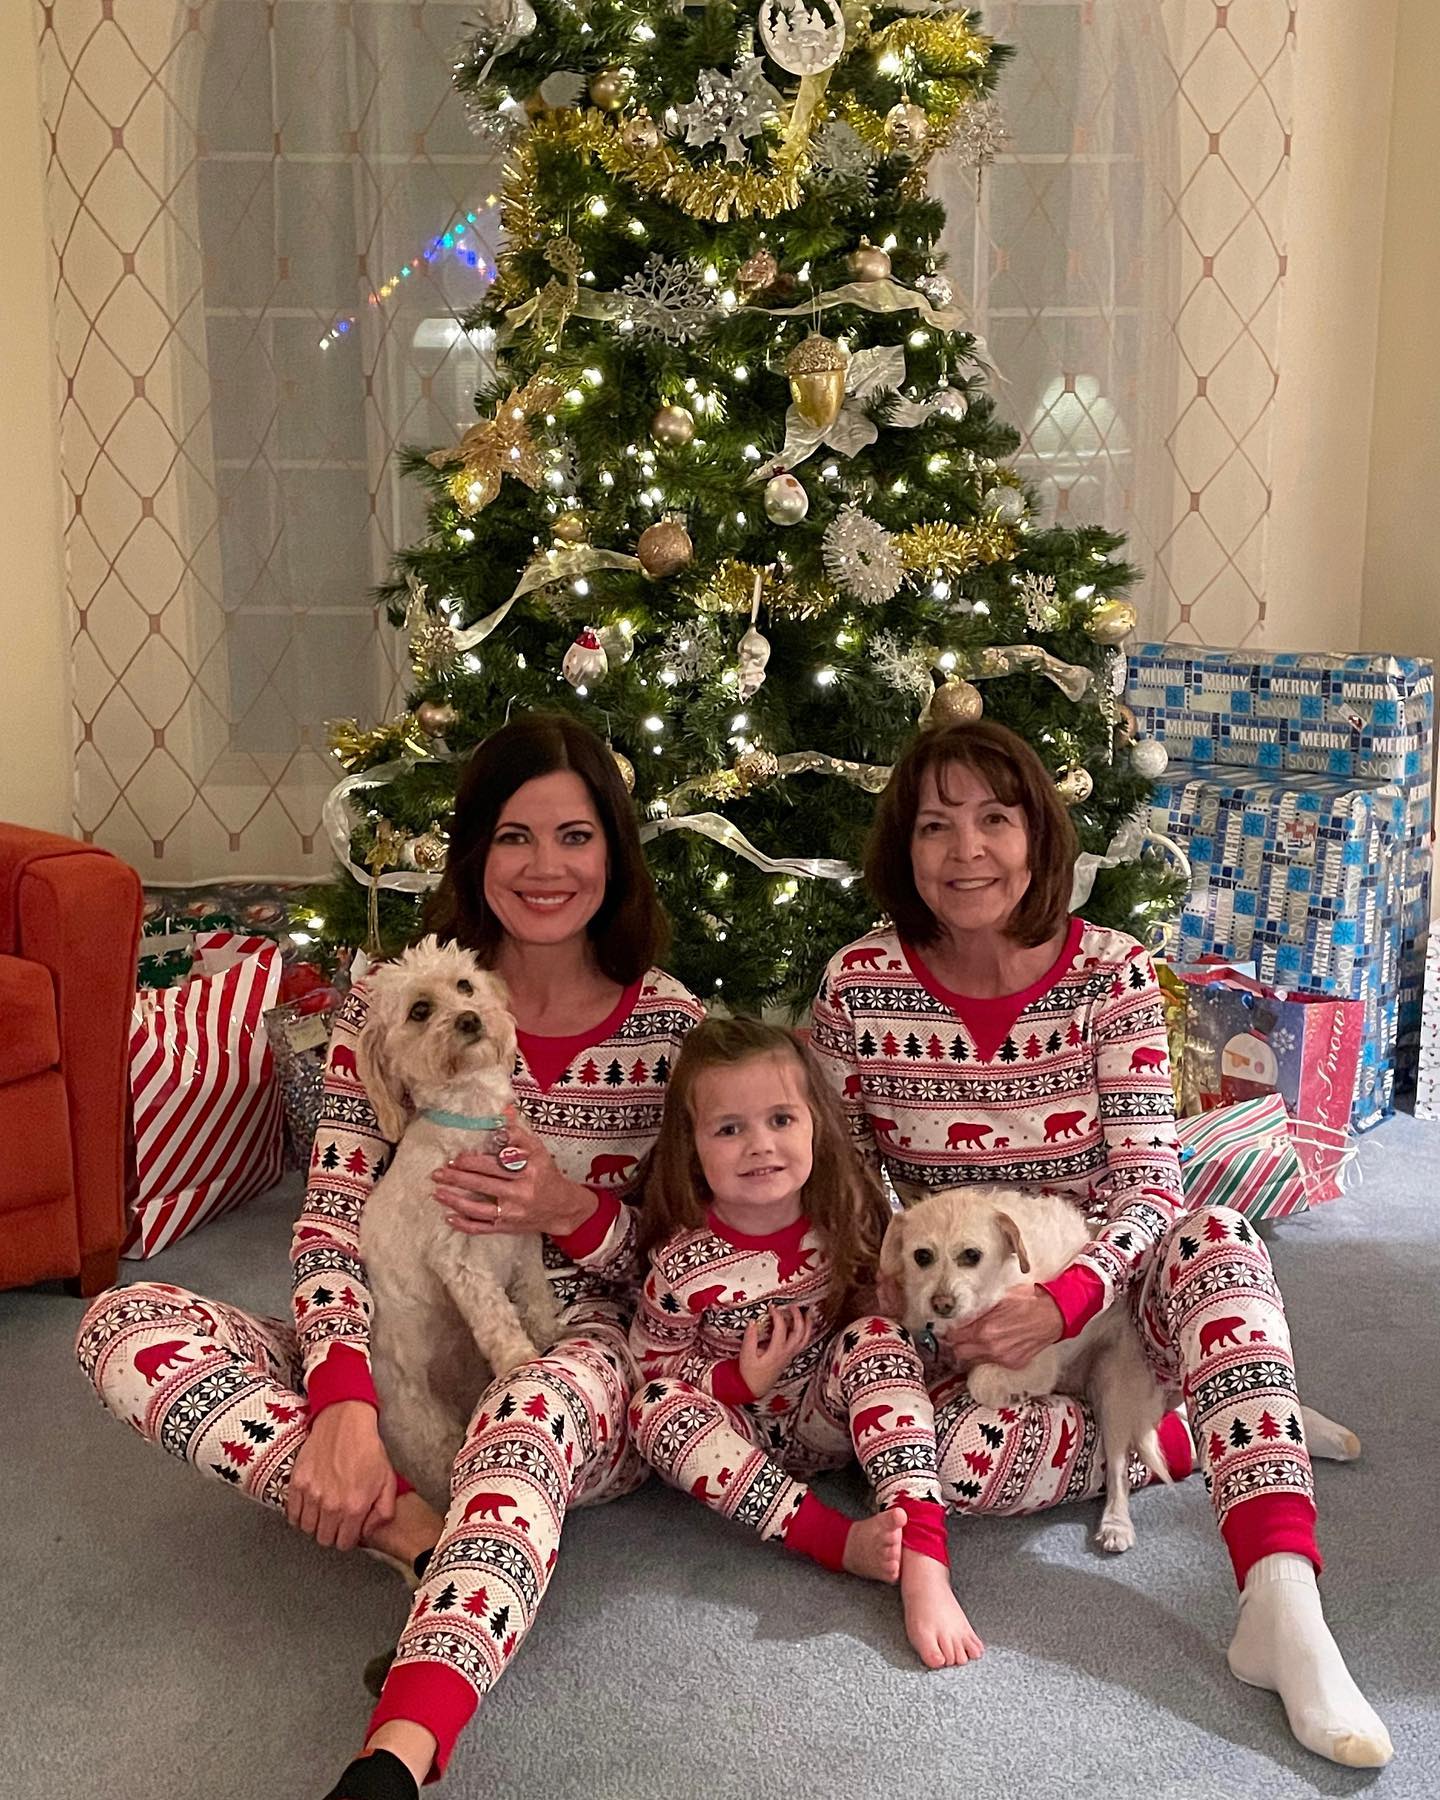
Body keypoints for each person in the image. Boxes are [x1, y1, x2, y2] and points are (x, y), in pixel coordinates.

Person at [75, 713, 704, 1800]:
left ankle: (393, 1760)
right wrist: (344, 1404)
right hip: (398, 1336)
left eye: (575, 835)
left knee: (533, 1400)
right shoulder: (385, 1007)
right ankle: (420, 1531)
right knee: (121, 1324)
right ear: (475, 854)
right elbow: (328, 1229)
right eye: (514, 836)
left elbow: (691, 1270)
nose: (545, 867)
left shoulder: (671, 1030)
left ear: (615, 850)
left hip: (572, 1362)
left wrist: (569, 1209)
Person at [810, 717, 1392, 1770]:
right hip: (968, 1310)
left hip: (1114, 1283)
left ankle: (1284, 1604)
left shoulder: (1110, 974)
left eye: (996, 819)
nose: (966, 850)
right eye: (935, 826)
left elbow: (1150, 1184)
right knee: (945, 1469)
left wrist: (1068, 1297)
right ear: (904, 848)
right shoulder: (859, 987)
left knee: (1218, 1237)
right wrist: (895, 1303)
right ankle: (1205, 1418)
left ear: (1040, 837)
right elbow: (840, 1184)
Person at [628, 1015, 983, 1669]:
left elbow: (898, 1331)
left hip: (829, 1419)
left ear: (815, 1123)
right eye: (729, 1128)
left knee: (876, 1337)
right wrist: (739, 1382)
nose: (759, 1145)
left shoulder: (848, 1217)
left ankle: (925, 1559)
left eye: (780, 1120)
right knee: (653, 1409)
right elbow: (651, 1366)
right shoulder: (682, 1264)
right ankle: (835, 1540)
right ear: (693, 1146)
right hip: (734, 1437)